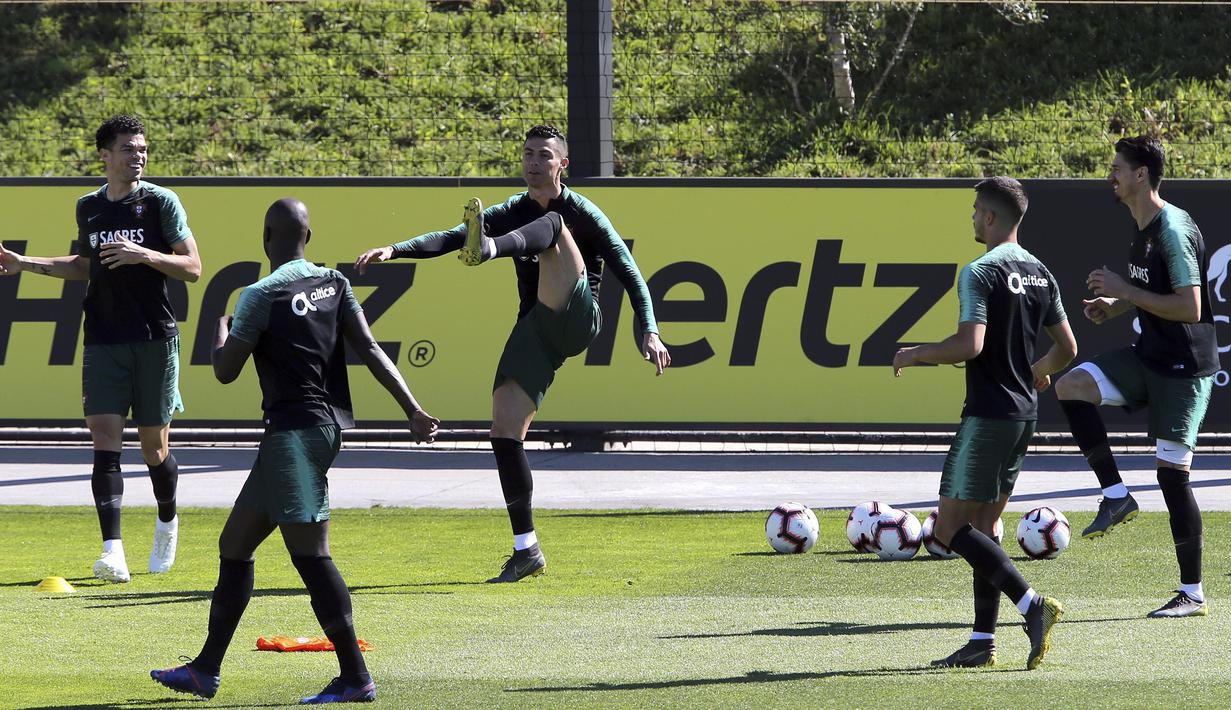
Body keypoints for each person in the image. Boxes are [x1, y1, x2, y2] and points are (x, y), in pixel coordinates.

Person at [150, 198, 439, 703]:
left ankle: (355, 677)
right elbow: (370, 348)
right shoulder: (336, 284)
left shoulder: (260, 295)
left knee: (312, 556)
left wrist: (220, 327)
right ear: (310, 236)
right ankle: (204, 670)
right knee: (234, 545)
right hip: (318, 431)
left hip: (293, 437)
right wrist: (412, 408)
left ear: (266, 238)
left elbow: (224, 369)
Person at [354, 124, 670, 582]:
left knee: (554, 227)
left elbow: (630, 273)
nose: (534, 162)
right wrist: (395, 249)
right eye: (527, 154)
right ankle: (527, 549)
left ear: (563, 165)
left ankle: (490, 249)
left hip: (579, 314)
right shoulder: (513, 208)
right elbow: (449, 236)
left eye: (544, 155)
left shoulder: (581, 210)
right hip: (537, 330)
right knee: (503, 429)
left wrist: (650, 330)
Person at [0, 114, 200, 583]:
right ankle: (113, 552)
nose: (139, 156)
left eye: (143, 149)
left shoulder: (160, 203)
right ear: (105, 155)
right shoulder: (89, 207)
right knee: (104, 441)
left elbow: (192, 267)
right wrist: (24, 263)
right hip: (104, 339)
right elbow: (86, 266)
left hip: (154, 338)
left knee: (154, 448)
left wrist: (144, 255)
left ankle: (167, 521)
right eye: (130, 149)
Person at [894, 176, 1077, 669]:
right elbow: (1068, 348)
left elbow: (970, 345)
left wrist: (917, 354)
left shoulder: (979, 271)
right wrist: (1035, 372)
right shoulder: (1042, 272)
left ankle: (1031, 604)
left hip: (987, 415)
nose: (972, 218)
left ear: (991, 218)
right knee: (986, 525)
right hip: (1024, 415)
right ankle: (982, 641)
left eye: (976, 210)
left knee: (949, 529)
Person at [1053, 136, 1216, 618]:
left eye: (1118, 168)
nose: (1112, 175)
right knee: (1071, 385)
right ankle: (1116, 496)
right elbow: (1153, 289)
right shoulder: (1143, 227)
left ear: (1141, 175)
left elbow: (1190, 306)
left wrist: (1124, 288)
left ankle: (1193, 593)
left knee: (1171, 476)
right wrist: (1116, 304)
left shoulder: (1169, 228)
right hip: (1150, 357)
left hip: (1185, 371)